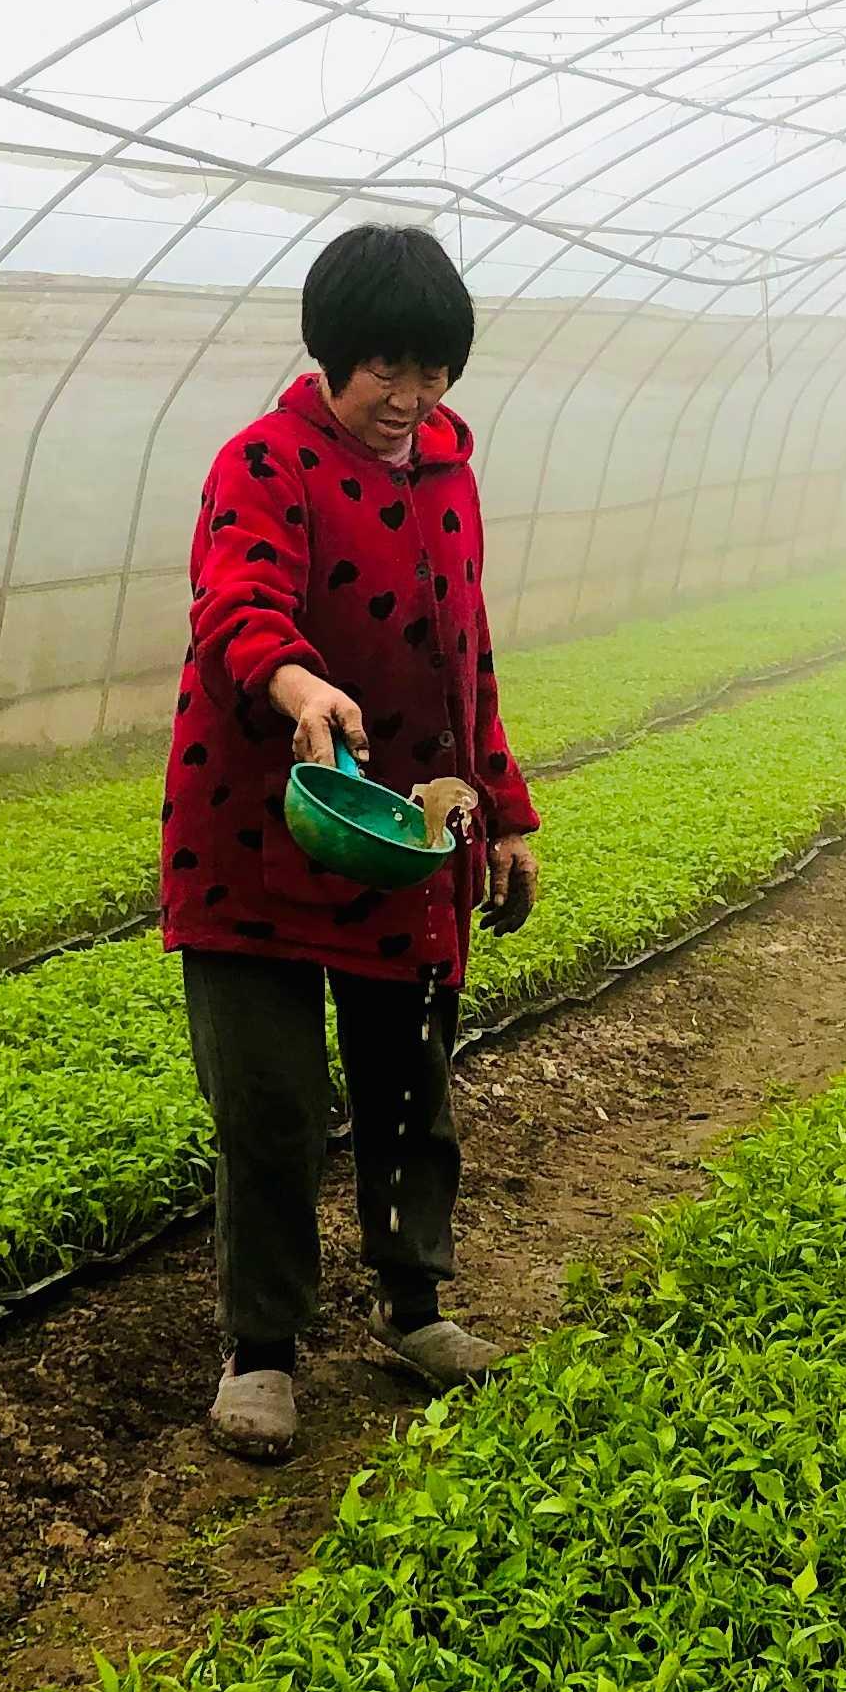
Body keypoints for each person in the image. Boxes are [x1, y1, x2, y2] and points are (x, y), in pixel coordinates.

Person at [162, 223, 542, 1461]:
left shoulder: (449, 476)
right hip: (260, 825)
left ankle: (414, 1308)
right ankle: (261, 1348)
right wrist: (297, 689)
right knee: (269, 1105)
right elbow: (238, 599)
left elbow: (465, 662)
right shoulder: (263, 462)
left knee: (407, 1083)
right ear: (332, 356)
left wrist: (506, 816)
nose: (411, 396)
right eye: (386, 367)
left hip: (399, 832)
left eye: (432, 369)